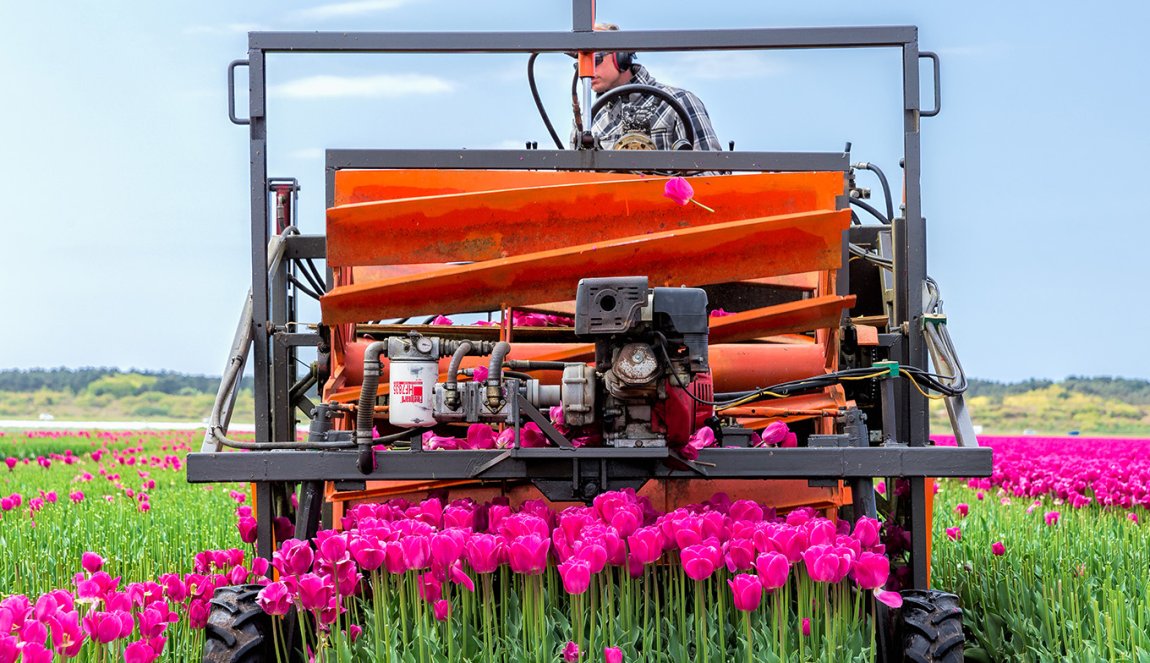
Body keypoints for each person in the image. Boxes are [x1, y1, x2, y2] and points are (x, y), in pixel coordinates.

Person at [585, 23, 721, 152]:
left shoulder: (680, 102)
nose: (586, 71)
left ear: (620, 57)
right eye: (579, 65)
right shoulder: (587, 123)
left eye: (596, 60)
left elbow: (711, 170)